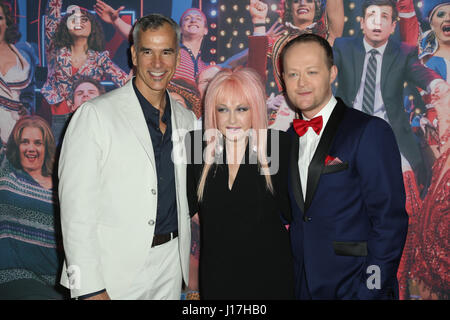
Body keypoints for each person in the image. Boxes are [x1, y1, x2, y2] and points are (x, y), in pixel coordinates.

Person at [58, 14, 197, 299]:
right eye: (148, 51)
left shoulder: (186, 119)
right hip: (113, 270)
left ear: (177, 57)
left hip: (171, 266)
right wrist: (88, 289)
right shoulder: (94, 115)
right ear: (134, 54)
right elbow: (75, 213)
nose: (157, 64)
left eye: (166, 52)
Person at [282, 33, 409, 299]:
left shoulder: (369, 130)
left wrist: (369, 290)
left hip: (354, 289)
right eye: (292, 74)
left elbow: (389, 224)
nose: (301, 82)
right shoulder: (287, 140)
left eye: (311, 72)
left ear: (332, 73)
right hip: (301, 289)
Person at [186, 67, 294, 299]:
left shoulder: (278, 145)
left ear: (255, 108)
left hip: (271, 280)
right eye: (223, 109)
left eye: (241, 109)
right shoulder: (196, 146)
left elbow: (295, 211)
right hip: (217, 279)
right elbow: (190, 210)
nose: (232, 119)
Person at [333, 0, 449, 199]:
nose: (377, 23)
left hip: (389, 136)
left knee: (402, 191)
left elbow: (420, 72)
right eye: (372, 16)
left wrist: (436, 84)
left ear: (393, 26)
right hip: (349, 133)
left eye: (384, 17)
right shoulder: (343, 47)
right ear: (362, 23)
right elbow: (324, 71)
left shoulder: (403, 53)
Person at [0, 116, 66, 299]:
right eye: (24, 142)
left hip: (55, 279)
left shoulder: (62, 183)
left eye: (38, 143)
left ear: (47, 148)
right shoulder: (6, 173)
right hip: (11, 275)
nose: (31, 148)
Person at [41, 0, 128, 116]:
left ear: (92, 27)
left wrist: (116, 21)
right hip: (52, 113)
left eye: (84, 20)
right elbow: (52, 15)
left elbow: (126, 83)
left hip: (85, 116)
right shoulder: (55, 49)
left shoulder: (100, 59)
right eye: (73, 19)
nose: (78, 22)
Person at [95, 2, 209, 84]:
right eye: (187, 18)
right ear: (180, 29)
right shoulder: (171, 50)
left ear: (205, 30)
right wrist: (116, 21)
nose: (193, 20)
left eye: (198, 18)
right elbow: (140, 39)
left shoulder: (205, 68)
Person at [0, 1, 38, 144]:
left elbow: (29, 93)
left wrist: (25, 108)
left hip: (18, 133)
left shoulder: (25, 54)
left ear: (7, 22)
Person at [51, 77, 105, 146]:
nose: (85, 95)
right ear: (72, 106)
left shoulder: (111, 128)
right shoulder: (62, 133)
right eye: (79, 93)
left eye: (91, 92)